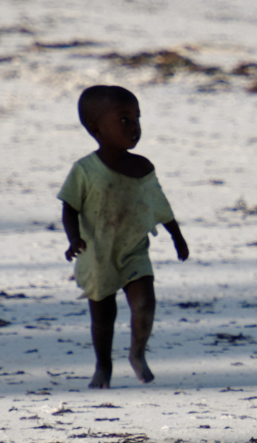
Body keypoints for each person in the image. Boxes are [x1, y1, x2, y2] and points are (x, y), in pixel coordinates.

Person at [58, 85, 189, 389]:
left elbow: (160, 205)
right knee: (103, 317)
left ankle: (137, 353)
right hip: (96, 253)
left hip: (134, 250)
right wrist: (73, 239)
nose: (134, 127)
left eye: (136, 118)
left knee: (144, 302)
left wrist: (177, 237)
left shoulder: (142, 167)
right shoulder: (85, 170)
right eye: (124, 120)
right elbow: (69, 207)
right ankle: (103, 366)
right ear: (96, 129)